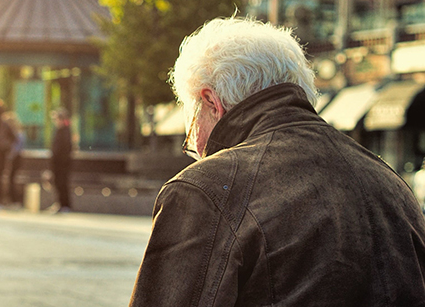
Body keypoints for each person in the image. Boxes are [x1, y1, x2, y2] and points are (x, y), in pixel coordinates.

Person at [129, 17, 425, 305]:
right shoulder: (393, 186)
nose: (197, 149)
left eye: (191, 132)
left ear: (211, 103)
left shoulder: (205, 190)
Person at [49, 108, 72, 213]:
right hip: (58, 162)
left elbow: (64, 149)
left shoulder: (65, 132)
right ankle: (60, 203)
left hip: (62, 163)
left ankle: (64, 205)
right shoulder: (59, 131)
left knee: (62, 183)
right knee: (58, 183)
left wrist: (59, 159)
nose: (55, 122)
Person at [3, 111, 25, 207]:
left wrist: (9, 156)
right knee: (10, 178)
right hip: (15, 157)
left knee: (12, 178)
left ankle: (14, 199)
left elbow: (17, 147)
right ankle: (11, 199)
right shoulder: (17, 133)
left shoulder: (17, 133)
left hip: (15, 158)